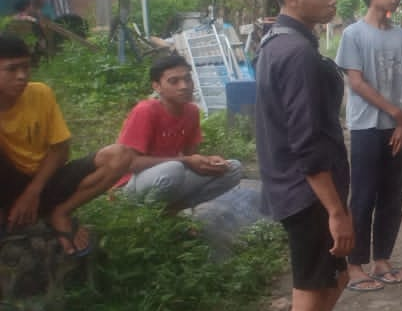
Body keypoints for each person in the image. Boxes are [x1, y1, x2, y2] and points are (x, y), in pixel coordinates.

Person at [254, 0, 366, 311]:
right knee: (309, 299)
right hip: (309, 198)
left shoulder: (278, 42)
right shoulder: (295, 53)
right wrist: (337, 211)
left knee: (326, 289)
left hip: (299, 193)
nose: (331, 1)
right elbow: (307, 143)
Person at [1, 33, 132, 256]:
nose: (22, 76)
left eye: (26, 67)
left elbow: (60, 149)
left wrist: (32, 191)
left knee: (120, 155)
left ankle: (60, 213)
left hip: (45, 181)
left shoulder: (40, 93)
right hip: (7, 184)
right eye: (12, 69)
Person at [334, 0, 402, 292]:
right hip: (367, 128)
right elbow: (356, 82)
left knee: (392, 198)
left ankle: (382, 259)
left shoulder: (401, 36)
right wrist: (398, 113)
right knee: (364, 197)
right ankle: (354, 265)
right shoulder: (353, 34)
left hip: (398, 129)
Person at [117, 53, 244, 213]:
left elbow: (191, 157)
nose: (184, 86)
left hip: (167, 178)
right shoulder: (146, 110)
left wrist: (207, 161)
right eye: (174, 81)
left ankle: (171, 212)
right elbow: (129, 164)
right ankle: (143, 220)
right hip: (129, 185)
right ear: (157, 86)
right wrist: (186, 160)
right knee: (173, 169)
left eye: (187, 79)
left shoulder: (191, 111)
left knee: (232, 168)